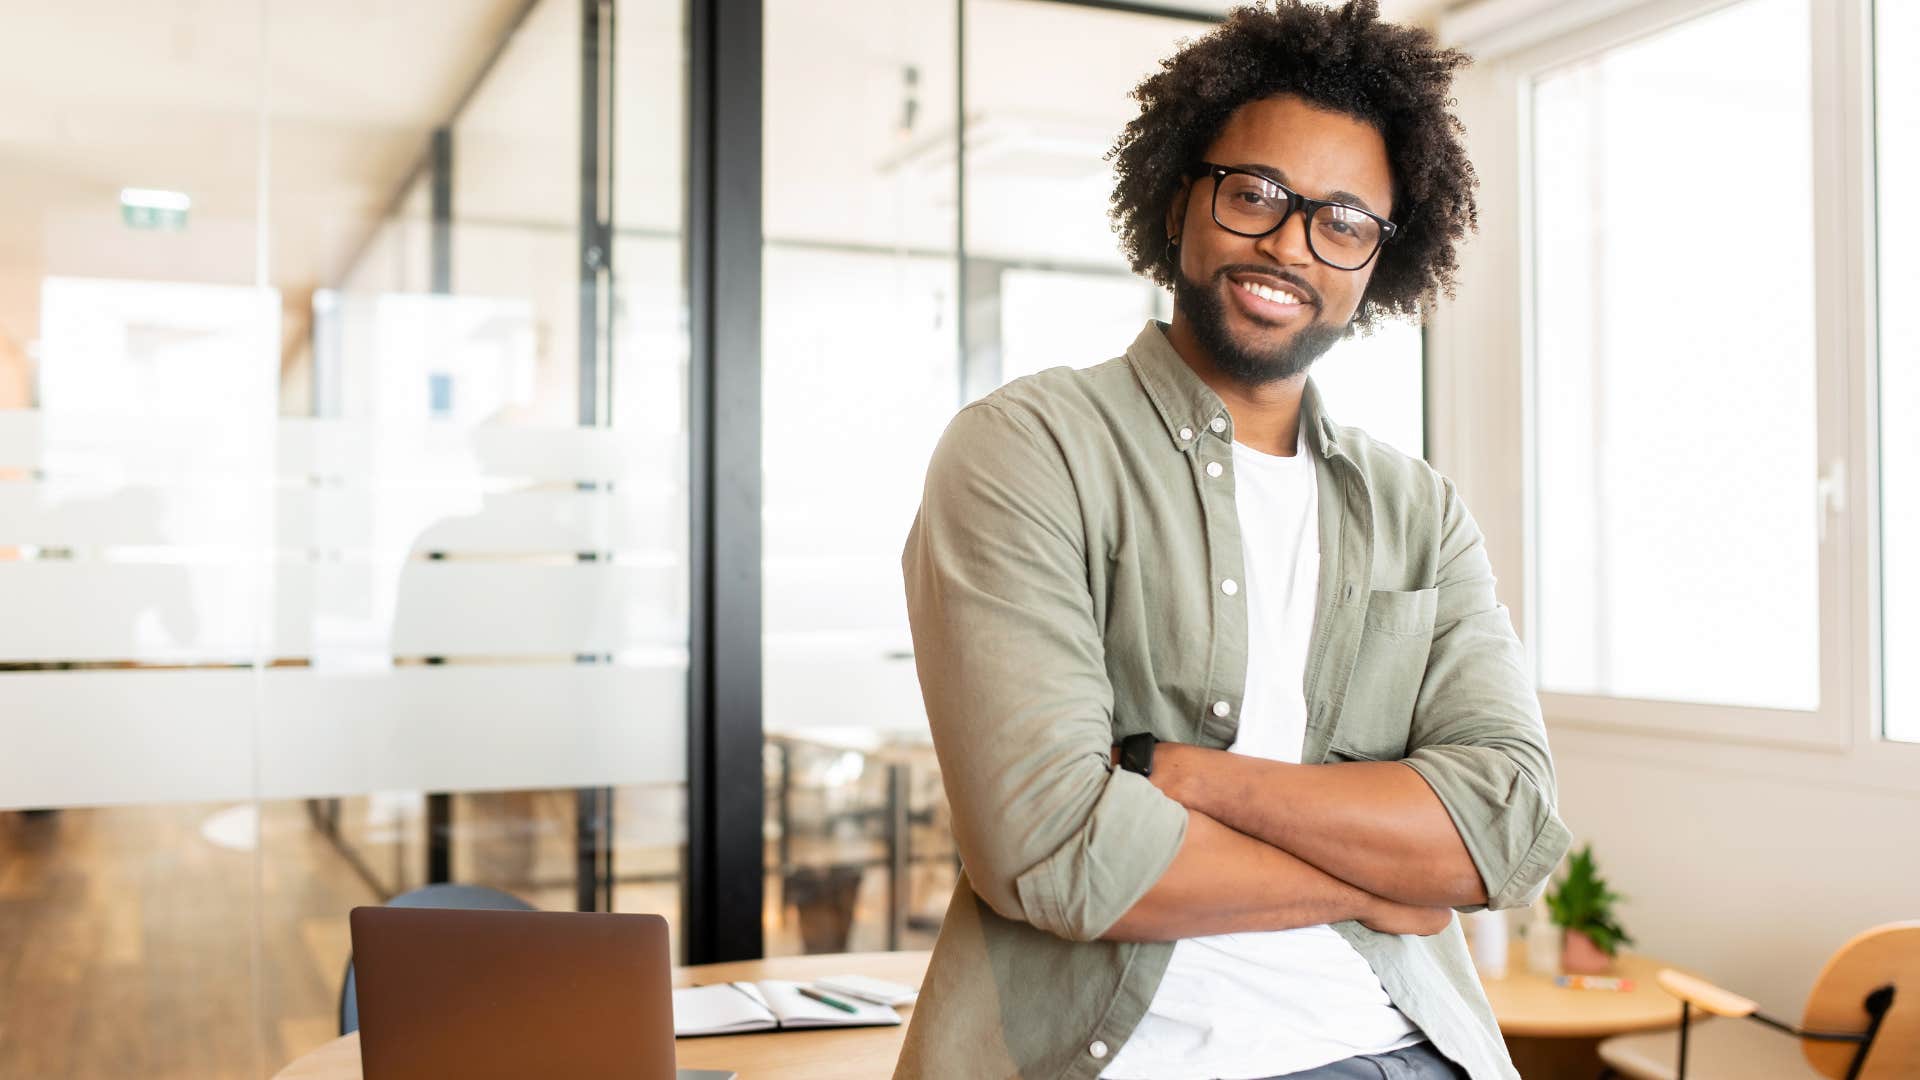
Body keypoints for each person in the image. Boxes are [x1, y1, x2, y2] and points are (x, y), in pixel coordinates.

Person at [896, 3, 1571, 1078]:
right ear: (1179, 199)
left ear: (1379, 262)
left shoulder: (1420, 512)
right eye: (1254, 194)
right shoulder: (1025, 451)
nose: (1289, 245)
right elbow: (1058, 853)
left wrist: (1183, 777)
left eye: (1343, 221)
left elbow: (1505, 828)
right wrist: (1386, 878)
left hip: (1415, 1049)